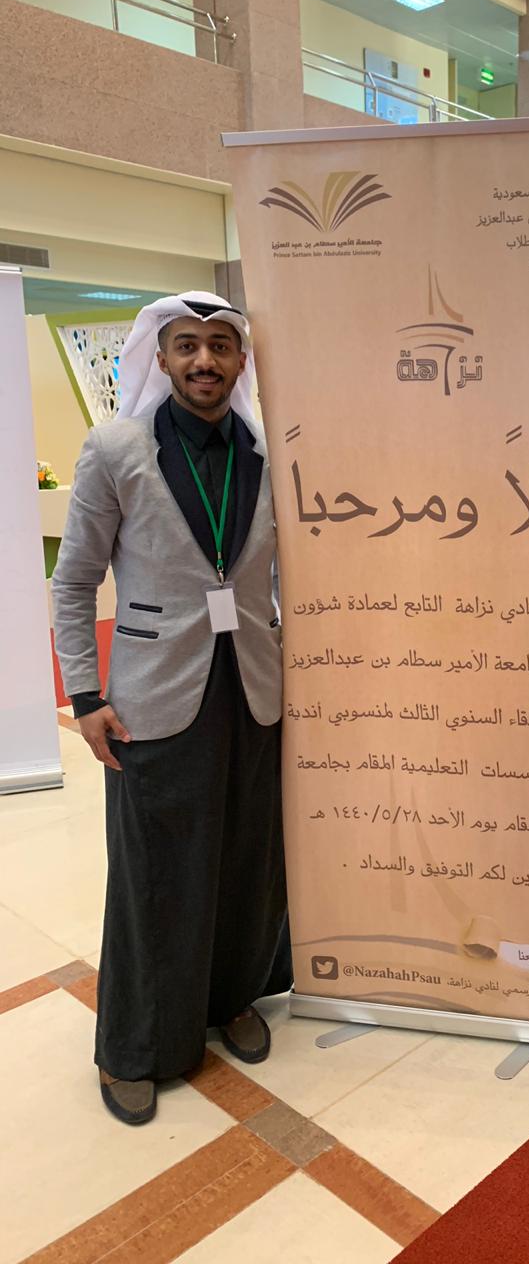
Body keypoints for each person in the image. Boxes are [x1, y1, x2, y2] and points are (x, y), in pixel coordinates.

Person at [52, 292, 292, 1126]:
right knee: (154, 875)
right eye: (187, 345)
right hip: (152, 696)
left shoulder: (266, 451)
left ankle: (230, 998)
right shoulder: (117, 449)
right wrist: (86, 694)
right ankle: (135, 1045)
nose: (204, 361)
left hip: (253, 691)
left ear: (240, 361)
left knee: (245, 857)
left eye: (220, 346)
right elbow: (74, 580)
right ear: (160, 357)